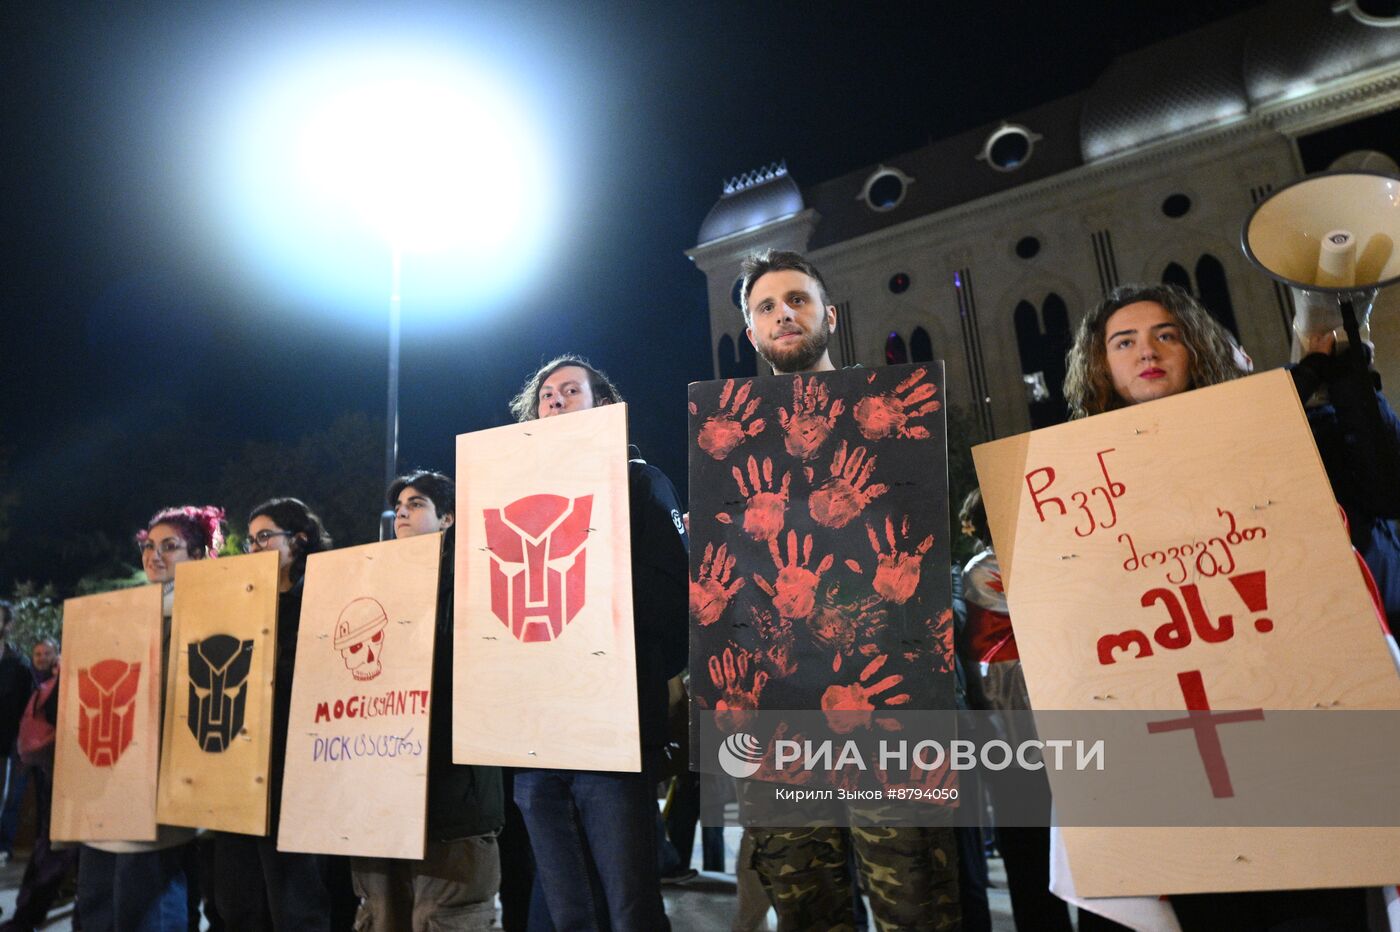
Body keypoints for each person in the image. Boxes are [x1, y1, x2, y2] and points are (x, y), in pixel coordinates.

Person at [1063, 282, 1370, 931]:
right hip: (1161, 752)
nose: (1146, 351)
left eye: (1165, 335)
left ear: (1194, 347)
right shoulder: (1075, 486)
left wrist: (1341, 370)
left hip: (1289, 735)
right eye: (1124, 341)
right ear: (1102, 365)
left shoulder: (1273, 433)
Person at [736, 249, 960, 931]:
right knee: (809, 916)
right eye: (766, 307)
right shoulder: (732, 449)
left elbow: (935, 543)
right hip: (778, 726)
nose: (784, 315)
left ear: (829, 315)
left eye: (798, 300)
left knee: (914, 908)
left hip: (892, 719)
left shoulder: (892, 419)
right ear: (750, 333)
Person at [506, 355, 689, 932]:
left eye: (570, 390)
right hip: (537, 739)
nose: (555, 400)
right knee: (569, 912)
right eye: (545, 395)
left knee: (629, 907)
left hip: (612, 729)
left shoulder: (638, 482)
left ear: (604, 406)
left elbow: (674, 595)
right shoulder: (509, 497)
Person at [350, 471, 505, 931]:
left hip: (454, 799)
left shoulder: (478, 579)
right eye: (398, 505)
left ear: (449, 519)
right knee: (381, 918)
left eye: (416, 504)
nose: (401, 511)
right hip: (381, 796)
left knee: (443, 919)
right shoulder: (369, 587)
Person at [78, 506, 224, 932]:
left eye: (169, 546)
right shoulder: (120, 615)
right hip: (107, 780)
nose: (154, 556)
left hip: (162, 785)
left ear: (198, 556)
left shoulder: (209, 614)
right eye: (148, 546)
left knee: (147, 903)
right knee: (98, 902)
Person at [213, 498, 340, 931]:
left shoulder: (323, 599)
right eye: (250, 540)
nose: (254, 547)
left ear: (299, 540)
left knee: (295, 898)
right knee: (240, 900)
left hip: (296, 770)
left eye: (264, 536)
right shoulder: (239, 605)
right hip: (242, 765)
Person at [1, 637, 77, 932]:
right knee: (56, 849)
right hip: (73, 776)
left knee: (52, 849)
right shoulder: (68, 682)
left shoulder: (59, 682)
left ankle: (27, 916)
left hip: (61, 774)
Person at [0, 601, 34, 867]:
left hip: (5, 747)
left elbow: (28, 709)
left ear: (7, 625)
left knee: (5, 800)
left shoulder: (19, 665)